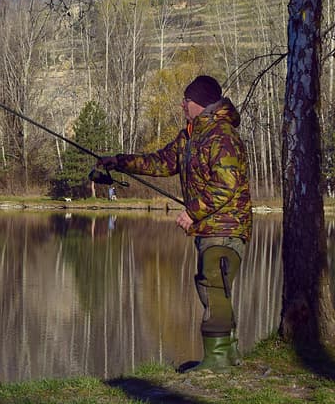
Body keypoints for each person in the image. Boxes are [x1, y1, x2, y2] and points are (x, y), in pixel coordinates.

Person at [96, 75, 252, 371]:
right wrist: (117, 161)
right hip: (210, 228)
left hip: (227, 227)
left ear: (202, 104)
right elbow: (161, 162)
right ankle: (228, 356)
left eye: (187, 101)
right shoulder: (191, 136)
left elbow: (226, 183)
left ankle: (219, 361)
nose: (182, 105)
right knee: (210, 287)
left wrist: (193, 212)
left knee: (214, 286)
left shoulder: (222, 136)